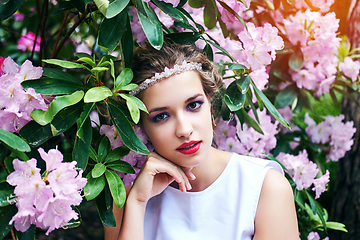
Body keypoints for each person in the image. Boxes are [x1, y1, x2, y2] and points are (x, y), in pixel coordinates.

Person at [104, 41, 299, 240]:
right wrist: (137, 202)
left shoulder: (265, 188)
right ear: (142, 128)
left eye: (194, 105)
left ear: (210, 102)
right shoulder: (127, 195)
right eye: (161, 116)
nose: (184, 130)